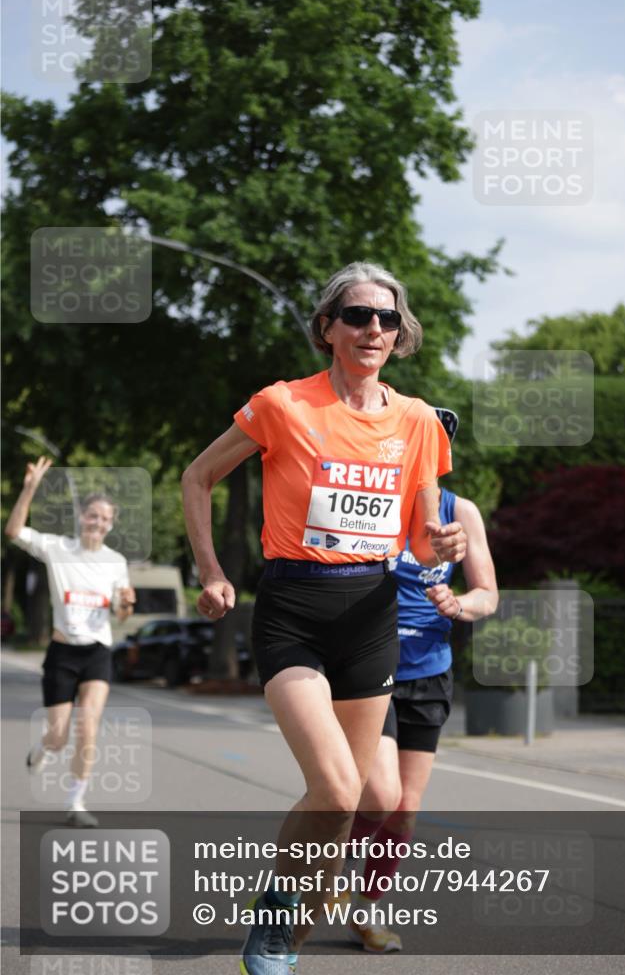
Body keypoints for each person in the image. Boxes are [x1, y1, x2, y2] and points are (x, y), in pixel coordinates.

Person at [181, 262, 467, 975]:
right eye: (358, 316)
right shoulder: (282, 404)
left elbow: (420, 537)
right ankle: (275, 929)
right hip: (294, 611)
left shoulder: (418, 422)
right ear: (327, 328)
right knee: (336, 787)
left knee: (350, 803)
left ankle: (293, 920)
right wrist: (212, 572)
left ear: (400, 335)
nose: (374, 328)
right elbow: (197, 476)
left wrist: (447, 542)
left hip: (372, 616)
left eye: (387, 319)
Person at [340, 481, 498, 953]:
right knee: (380, 794)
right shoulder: (372, 498)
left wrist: (459, 604)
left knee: (405, 811)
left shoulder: (460, 510)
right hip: (370, 666)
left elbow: (487, 594)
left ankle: (365, 912)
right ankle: (316, 876)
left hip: (429, 673)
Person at [5, 457, 135, 828]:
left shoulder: (115, 561)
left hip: (97, 651)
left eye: (105, 519)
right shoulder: (57, 548)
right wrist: (30, 487)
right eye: (92, 515)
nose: (98, 523)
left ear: (111, 525)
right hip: (62, 653)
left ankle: (75, 802)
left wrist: (126, 604)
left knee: (88, 725)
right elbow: (14, 531)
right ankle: (44, 746)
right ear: (82, 517)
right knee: (59, 736)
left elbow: (121, 614)